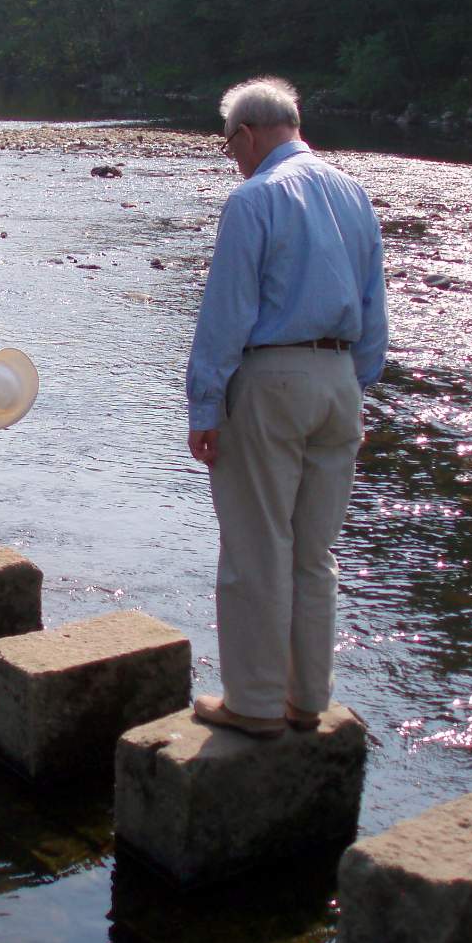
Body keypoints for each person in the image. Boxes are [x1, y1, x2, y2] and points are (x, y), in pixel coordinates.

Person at [184, 77, 388, 738]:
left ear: (247, 135)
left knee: (255, 542)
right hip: (340, 378)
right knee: (314, 549)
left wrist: (204, 404)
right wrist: (354, 384)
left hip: (273, 377)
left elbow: (227, 313)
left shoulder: (254, 199)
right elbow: (375, 310)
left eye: (229, 148)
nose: (232, 160)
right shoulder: (354, 194)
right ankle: (309, 697)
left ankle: (256, 700)